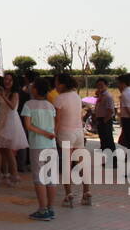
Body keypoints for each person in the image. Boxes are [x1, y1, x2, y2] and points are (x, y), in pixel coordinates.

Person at [23, 77, 58, 220]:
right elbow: (53, 125)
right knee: (50, 178)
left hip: (38, 145)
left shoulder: (28, 105)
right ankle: (50, 208)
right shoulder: (50, 106)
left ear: (36, 89)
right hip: (51, 145)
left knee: (39, 178)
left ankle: (42, 210)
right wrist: (49, 134)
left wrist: (44, 134)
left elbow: (28, 126)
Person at [53, 73, 90, 207]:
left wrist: (53, 133)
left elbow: (57, 119)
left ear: (62, 85)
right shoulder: (76, 96)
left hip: (65, 132)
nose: (55, 86)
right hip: (78, 132)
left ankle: (68, 194)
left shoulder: (59, 99)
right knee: (81, 163)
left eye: (56, 83)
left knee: (67, 165)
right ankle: (86, 192)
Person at [0, 74, 27, 184]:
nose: (7, 81)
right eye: (6, 79)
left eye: (10, 80)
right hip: (1, 120)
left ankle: (0, 173)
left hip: (9, 122)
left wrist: (3, 96)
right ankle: (11, 174)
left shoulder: (15, 93)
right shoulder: (2, 90)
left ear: (13, 82)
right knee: (6, 150)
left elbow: (12, 106)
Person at [91, 77, 116, 152]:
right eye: (98, 85)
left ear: (106, 85)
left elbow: (110, 110)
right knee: (103, 140)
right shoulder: (101, 96)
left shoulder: (107, 96)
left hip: (105, 119)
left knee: (108, 140)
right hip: (100, 119)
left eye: (101, 85)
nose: (99, 87)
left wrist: (104, 121)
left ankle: (112, 160)